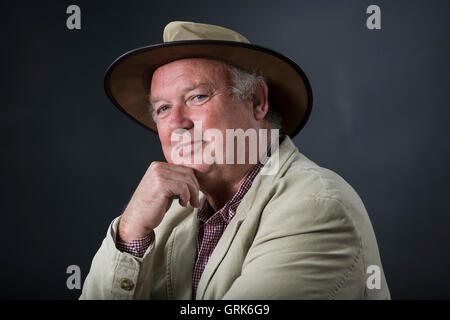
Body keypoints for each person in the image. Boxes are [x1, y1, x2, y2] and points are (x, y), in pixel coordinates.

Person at [80, 21, 390, 299]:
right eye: (162, 108)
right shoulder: (163, 219)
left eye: (197, 97)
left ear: (256, 100)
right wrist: (129, 233)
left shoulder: (316, 205)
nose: (176, 123)